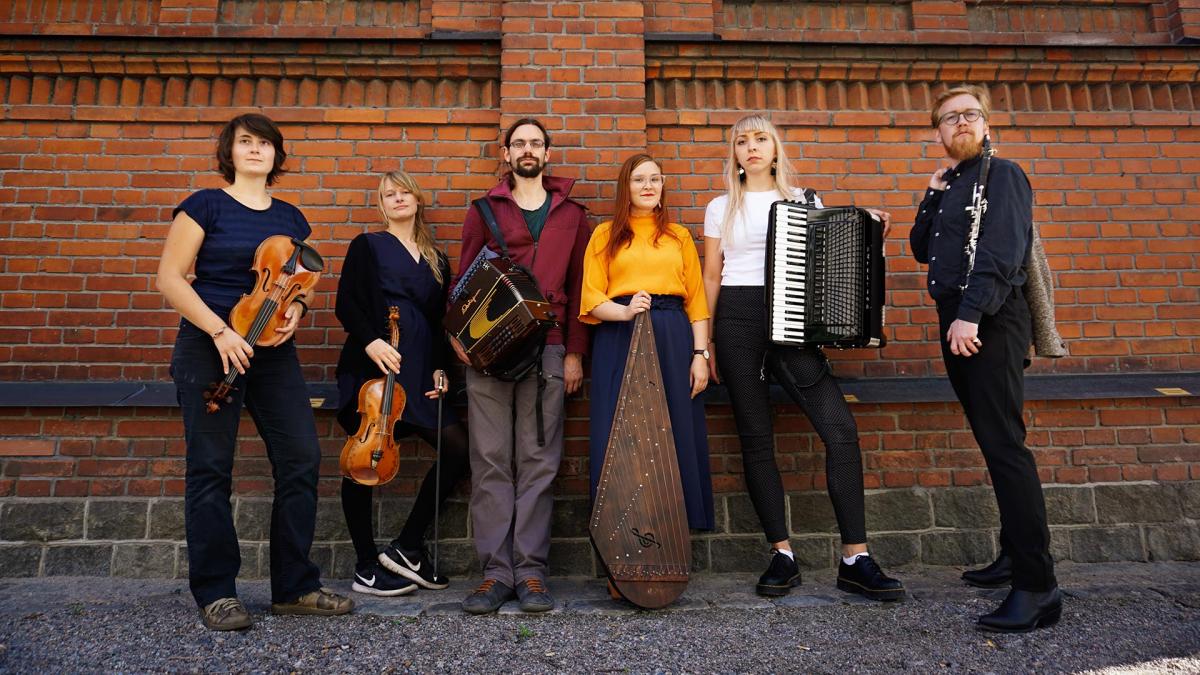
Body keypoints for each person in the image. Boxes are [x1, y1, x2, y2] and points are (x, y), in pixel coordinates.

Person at [156, 113, 353, 631]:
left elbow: (302, 283)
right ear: (230, 151)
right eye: (245, 142)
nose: (255, 150)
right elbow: (170, 279)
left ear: (276, 156)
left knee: (301, 459)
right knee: (210, 468)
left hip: (271, 353)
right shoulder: (204, 205)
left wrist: (298, 311)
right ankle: (216, 592)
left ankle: (294, 587)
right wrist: (220, 331)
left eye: (265, 144)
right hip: (210, 346)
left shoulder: (291, 218)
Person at [701, 114, 904, 601]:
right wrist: (703, 343)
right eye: (742, 141)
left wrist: (872, 230)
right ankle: (782, 555)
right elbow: (711, 276)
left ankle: (856, 558)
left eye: (760, 139)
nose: (751, 148)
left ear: (775, 149)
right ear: (734, 152)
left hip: (792, 322)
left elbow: (837, 258)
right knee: (755, 437)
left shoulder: (803, 201)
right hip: (736, 318)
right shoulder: (720, 206)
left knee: (840, 429)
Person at [911, 85, 1061, 632]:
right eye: (949, 119)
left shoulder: (1005, 176)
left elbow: (1000, 252)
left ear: (987, 124)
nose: (961, 124)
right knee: (993, 438)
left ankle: (1038, 585)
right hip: (958, 319)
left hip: (989, 320)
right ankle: (1011, 556)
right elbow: (921, 248)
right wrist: (930, 195)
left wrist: (970, 315)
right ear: (938, 135)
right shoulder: (952, 184)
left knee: (1005, 448)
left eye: (970, 115)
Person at [450, 118, 591, 614]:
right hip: (489, 349)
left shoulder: (572, 214)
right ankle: (495, 574)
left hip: (548, 346)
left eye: (536, 143)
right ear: (505, 153)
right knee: (489, 461)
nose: (527, 150)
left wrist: (574, 351)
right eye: (519, 144)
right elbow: (463, 281)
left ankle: (530, 572)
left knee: (538, 461)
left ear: (547, 153)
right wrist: (457, 336)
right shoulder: (482, 210)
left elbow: (582, 288)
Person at [334, 171, 472, 597]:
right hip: (374, 366)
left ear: (417, 199)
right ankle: (364, 566)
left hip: (419, 372)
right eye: (388, 194)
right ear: (381, 205)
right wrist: (372, 341)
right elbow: (346, 304)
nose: (396, 199)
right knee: (364, 458)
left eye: (403, 192)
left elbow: (435, 324)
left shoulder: (436, 258)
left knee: (459, 451)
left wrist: (440, 368)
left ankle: (408, 546)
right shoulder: (367, 246)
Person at [580, 153, 713, 536]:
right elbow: (591, 297)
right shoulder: (605, 234)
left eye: (655, 179)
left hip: (673, 334)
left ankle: (674, 533)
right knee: (619, 429)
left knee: (674, 428)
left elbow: (697, 301)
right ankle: (619, 533)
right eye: (639, 180)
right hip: (620, 334)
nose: (649, 186)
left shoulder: (678, 235)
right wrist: (624, 313)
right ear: (627, 187)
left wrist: (700, 354)